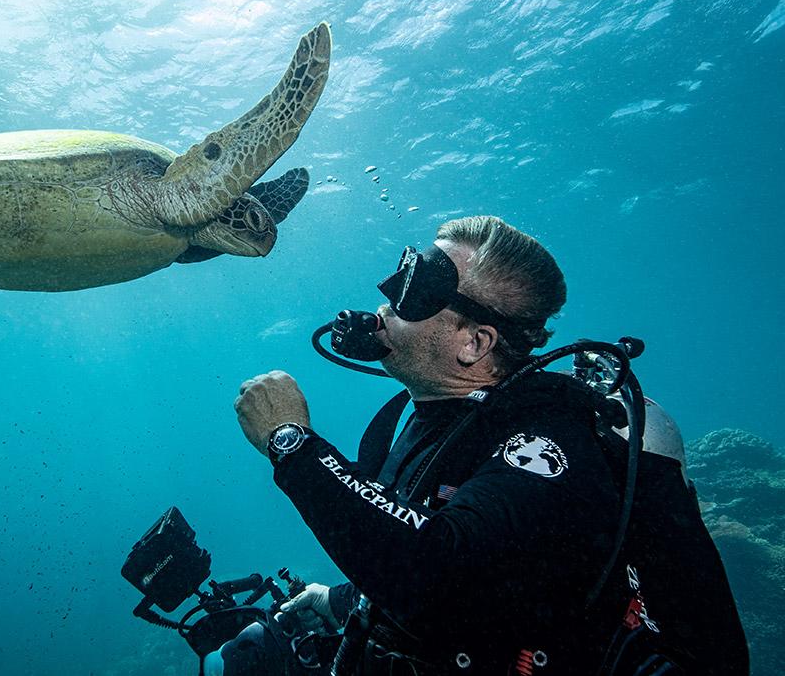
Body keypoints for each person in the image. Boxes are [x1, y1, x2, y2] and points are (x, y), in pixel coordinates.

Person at [233, 216, 748, 675]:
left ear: (475, 342)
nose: (387, 296)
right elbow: (419, 532)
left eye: (420, 287)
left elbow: (439, 569)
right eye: (404, 273)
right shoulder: (432, 421)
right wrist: (339, 600)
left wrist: (292, 445)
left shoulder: (548, 441)